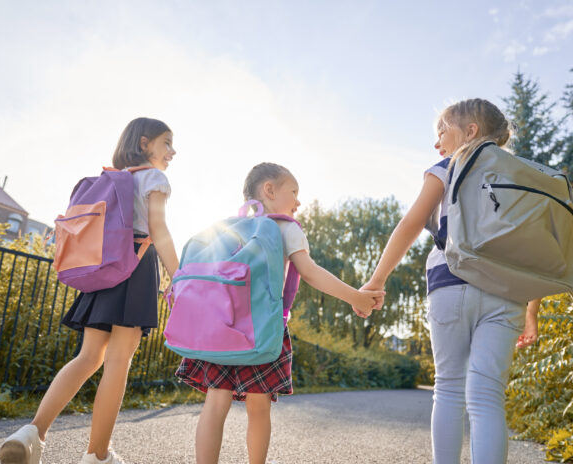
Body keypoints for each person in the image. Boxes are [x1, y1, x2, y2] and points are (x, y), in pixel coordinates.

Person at [359, 99, 540, 463]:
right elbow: (535, 251)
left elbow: (411, 224)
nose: (437, 141)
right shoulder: (522, 177)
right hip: (508, 294)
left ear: (470, 131)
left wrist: (376, 281)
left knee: (450, 389)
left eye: (443, 130)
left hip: (451, 282)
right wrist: (532, 312)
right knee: (488, 396)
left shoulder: (446, 168)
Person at [175, 162, 384, 464]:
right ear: (269, 190)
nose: (299, 201)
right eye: (294, 192)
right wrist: (357, 298)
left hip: (218, 327)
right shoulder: (285, 228)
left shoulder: (226, 228)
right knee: (258, 407)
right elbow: (310, 273)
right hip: (261, 330)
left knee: (215, 400)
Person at [0, 117, 180, 464]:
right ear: (145, 144)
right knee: (118, 361)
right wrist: (180, 277)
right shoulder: (154, 178)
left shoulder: (113, 179)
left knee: (88, 357)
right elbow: (159, 229)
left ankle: (32, 432)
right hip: (135, 267)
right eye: (167, 143)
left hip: (103, 270)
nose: (173, 151)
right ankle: (97, 456)